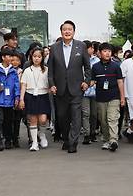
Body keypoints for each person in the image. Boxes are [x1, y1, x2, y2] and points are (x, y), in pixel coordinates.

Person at [47, 20, 91, 154]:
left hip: (77, 88)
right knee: (61, 117)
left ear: (74, 31)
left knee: (76, 116)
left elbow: (88, 67)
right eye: (64, 29)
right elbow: (50, 70)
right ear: (61, 32)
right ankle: (66, 139)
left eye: (69, 29)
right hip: (60, 89)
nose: (67, 31)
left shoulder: (81, 46)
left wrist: (86, 81)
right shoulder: (54, 48)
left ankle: (73, 142)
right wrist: (52, 84)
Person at [91, 43, 124, 152]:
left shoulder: (116, 66)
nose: (107, 53)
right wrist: (85, 84)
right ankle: (106, 139)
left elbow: (120, 82)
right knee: (103, 120)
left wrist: (122, 98)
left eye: (109, 51)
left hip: (114, 96)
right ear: (99, 53)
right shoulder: (95, 67)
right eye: (105, 51)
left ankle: (114, 140)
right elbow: (92, 81)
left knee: (112, 118)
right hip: (100, 97)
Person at [19, 47, 51, 152]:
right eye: (34, 56)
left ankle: (42, 134)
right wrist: (21, 99)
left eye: (39, 56)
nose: (37, 59)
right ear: (31, 57)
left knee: (42, 119)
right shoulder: (27, 70)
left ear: (42, 57)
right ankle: (34, 143)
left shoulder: (46, 70)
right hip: (30, 95)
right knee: (32, 120)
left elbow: (50, 83)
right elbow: (23, 85)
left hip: (43, 95)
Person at [82, 41, 99, 144]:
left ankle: (93, 133)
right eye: (91, 48)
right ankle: (86, 134)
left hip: (95, 91)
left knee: (94, 114)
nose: (93, 50)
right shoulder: (79, 60)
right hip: (83, 92)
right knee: (86, 114)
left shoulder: (96, 60)